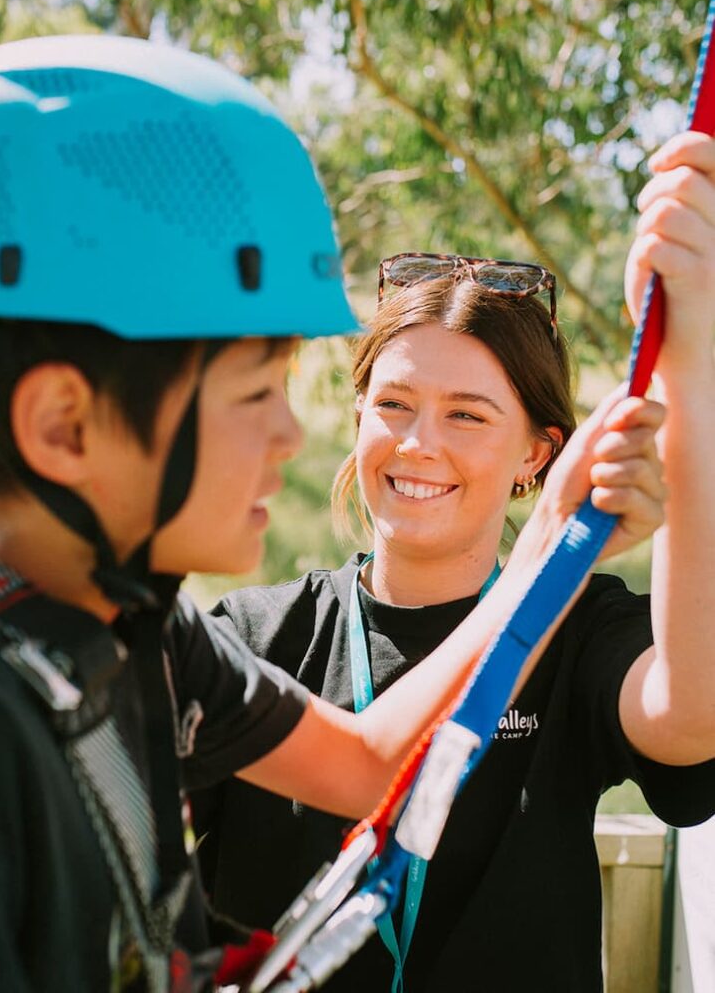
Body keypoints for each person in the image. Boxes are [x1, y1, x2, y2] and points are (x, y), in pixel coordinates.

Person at [0, 35, 668, 993]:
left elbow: (373, 766)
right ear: (63, 425)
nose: (292, 437)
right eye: (254, 394)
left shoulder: (134, 639)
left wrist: (554, 541)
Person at [193, 132, 715, 993]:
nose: (417, 444)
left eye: (468, 416)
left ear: (537, 456)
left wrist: (690, 367)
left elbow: (691, 716)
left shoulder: (582, 630)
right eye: (393, 404)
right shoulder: (253, 636)